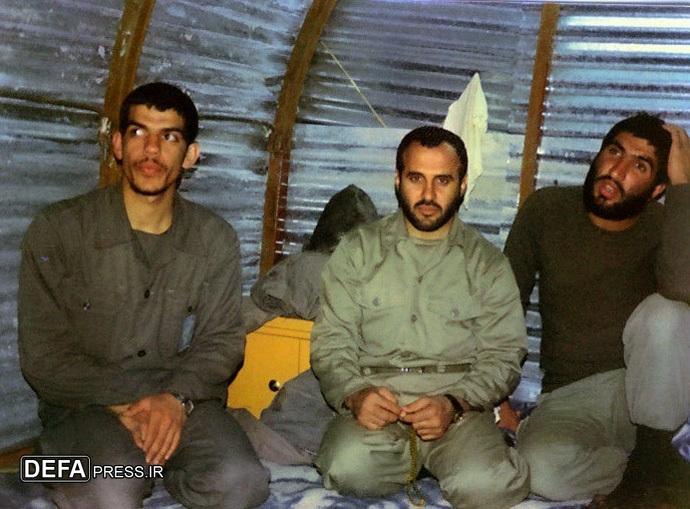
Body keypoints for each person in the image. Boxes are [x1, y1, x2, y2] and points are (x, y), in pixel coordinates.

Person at [18, 82, 269, 509]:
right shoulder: (58, 229)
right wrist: (137, 401)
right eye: (138, 132)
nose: (151, 150)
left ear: (190, 155)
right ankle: (60, 468)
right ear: (117, 144)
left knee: (244, 482)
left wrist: (174, 400)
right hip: (85, 405)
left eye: (169, 137)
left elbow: (221, 342)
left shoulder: (214, 238)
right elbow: (42, 357)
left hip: (181, 402)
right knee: (110, 490)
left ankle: (149, 469)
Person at [310, 125, 530, 508]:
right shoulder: (358, 251)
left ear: (462, 185)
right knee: (347, 469)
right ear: (397, 180)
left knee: (490, 488)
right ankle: (414, 464)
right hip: (379, 408)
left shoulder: (488, 264)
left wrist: (454, 404)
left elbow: (504, 355)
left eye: (442, 180)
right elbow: (331, 341)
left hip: (458, 411)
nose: (428, 195)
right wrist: (356, 394)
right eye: (416, 178)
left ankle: (460, 456)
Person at [502, 113, 690, 508]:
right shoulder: (546, 209)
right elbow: (504, 305)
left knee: (667, 314)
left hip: (643, 391)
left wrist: (683, 188)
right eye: (614, 152)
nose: (617, 171)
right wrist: (496, 398)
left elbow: (681, 287)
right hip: (570, 397)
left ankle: (652, 455)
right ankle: (645, 473)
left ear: (657, 188)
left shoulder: (665, 224)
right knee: (539, 471)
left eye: (639, 166)